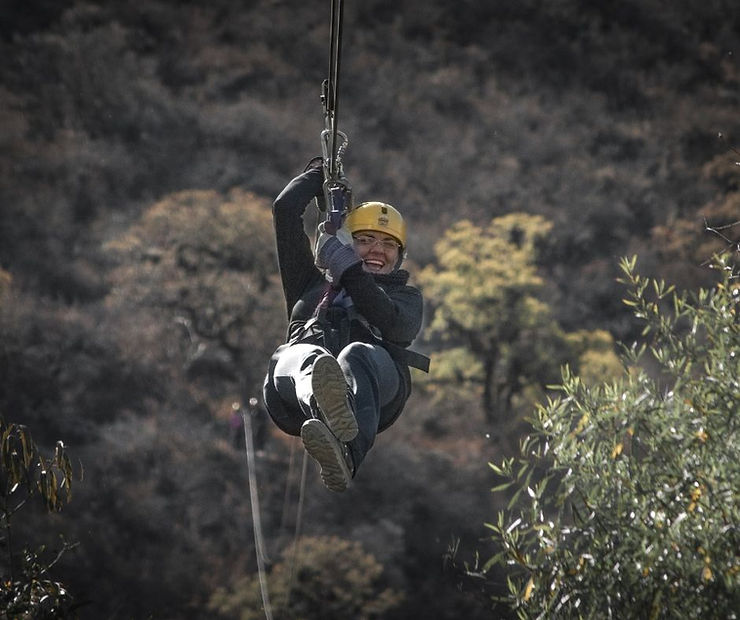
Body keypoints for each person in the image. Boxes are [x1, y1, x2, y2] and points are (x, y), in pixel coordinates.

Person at [263, 159, 429, 492]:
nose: (377, 251)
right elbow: (285, 210)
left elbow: (391, 323)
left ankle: (347, 450)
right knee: (302, 354)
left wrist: (346, 266)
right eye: (366, 239)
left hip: (373, 394)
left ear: (400, 255)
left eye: (388, 244)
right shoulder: (308, 284)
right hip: (293, 395)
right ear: (345, 240)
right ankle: (322, 403)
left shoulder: (406, 298)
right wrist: (320, 174)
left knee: (355, 353)